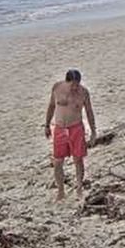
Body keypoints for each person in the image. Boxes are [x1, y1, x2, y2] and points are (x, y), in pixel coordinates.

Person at [45, 69, 96, 202]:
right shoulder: (57, 88)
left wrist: (93, 132)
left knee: (78, 159)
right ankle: (61, 191)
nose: (75, 87)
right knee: (57, 161)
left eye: (77, 84)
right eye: (72, 84)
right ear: (67, 81)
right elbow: (51, 107)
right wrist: (46, 125)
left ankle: (79, 188)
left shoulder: (83, 92)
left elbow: (89, 112)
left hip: (76, 128)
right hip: (60, 128)